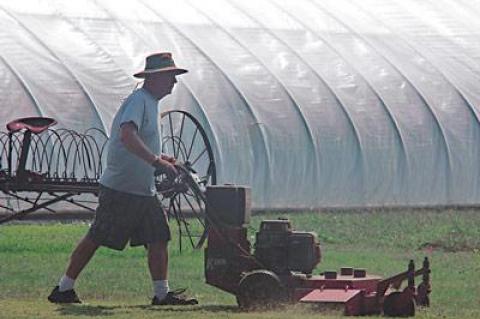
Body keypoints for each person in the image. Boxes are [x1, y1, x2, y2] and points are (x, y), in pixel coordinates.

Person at [48, 52, 197, 306]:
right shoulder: (139, 101)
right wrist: (155, 162)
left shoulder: (150, 103)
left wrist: (165, 159)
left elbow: (141, 141)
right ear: (154, 78)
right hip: (122, 188)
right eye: (170, 77)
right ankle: (63, 289)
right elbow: (127, 136)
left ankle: (162, 294)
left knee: (159, 236)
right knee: (97, 235)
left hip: (143, 189)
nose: (174, 82)